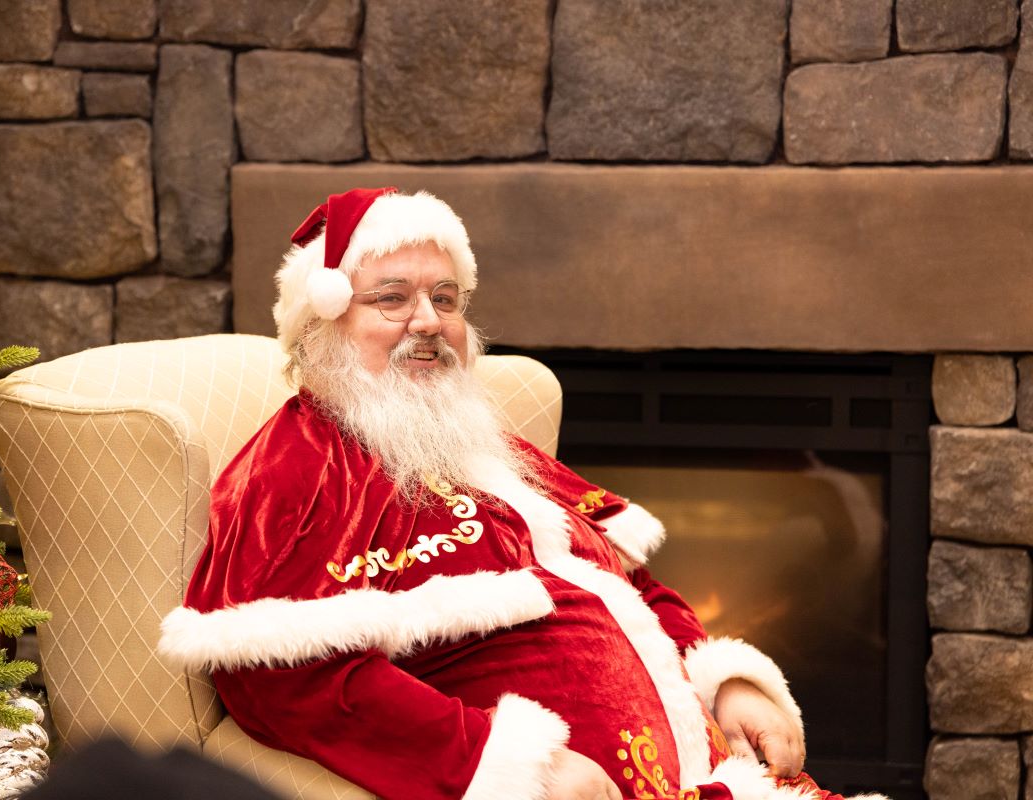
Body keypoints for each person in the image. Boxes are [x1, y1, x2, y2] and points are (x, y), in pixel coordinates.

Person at [158, 188, 889, 800]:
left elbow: (630, 590)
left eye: (445, 298)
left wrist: (727, 682)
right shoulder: (297, 470)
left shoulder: (486, 448)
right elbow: (279, 673)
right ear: (323, 323)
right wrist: (502, 761)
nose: (428, 322)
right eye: (392, 299)